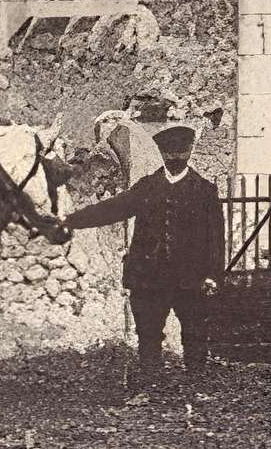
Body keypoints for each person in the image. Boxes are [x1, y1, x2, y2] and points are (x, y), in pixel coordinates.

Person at [62, 121, 228, 391]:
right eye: (169, 153)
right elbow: (113, 209)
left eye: (180, 153)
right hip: (150, 278)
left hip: (191, 278)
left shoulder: (204, 190)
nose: (174, 158)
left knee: (195, 333)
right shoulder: (147, 187)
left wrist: (212, 275)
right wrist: (70, 221)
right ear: (161, 154)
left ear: (189, 153)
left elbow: (216, 238)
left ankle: (195, 385)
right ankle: (151, 386)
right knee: (148, 334)